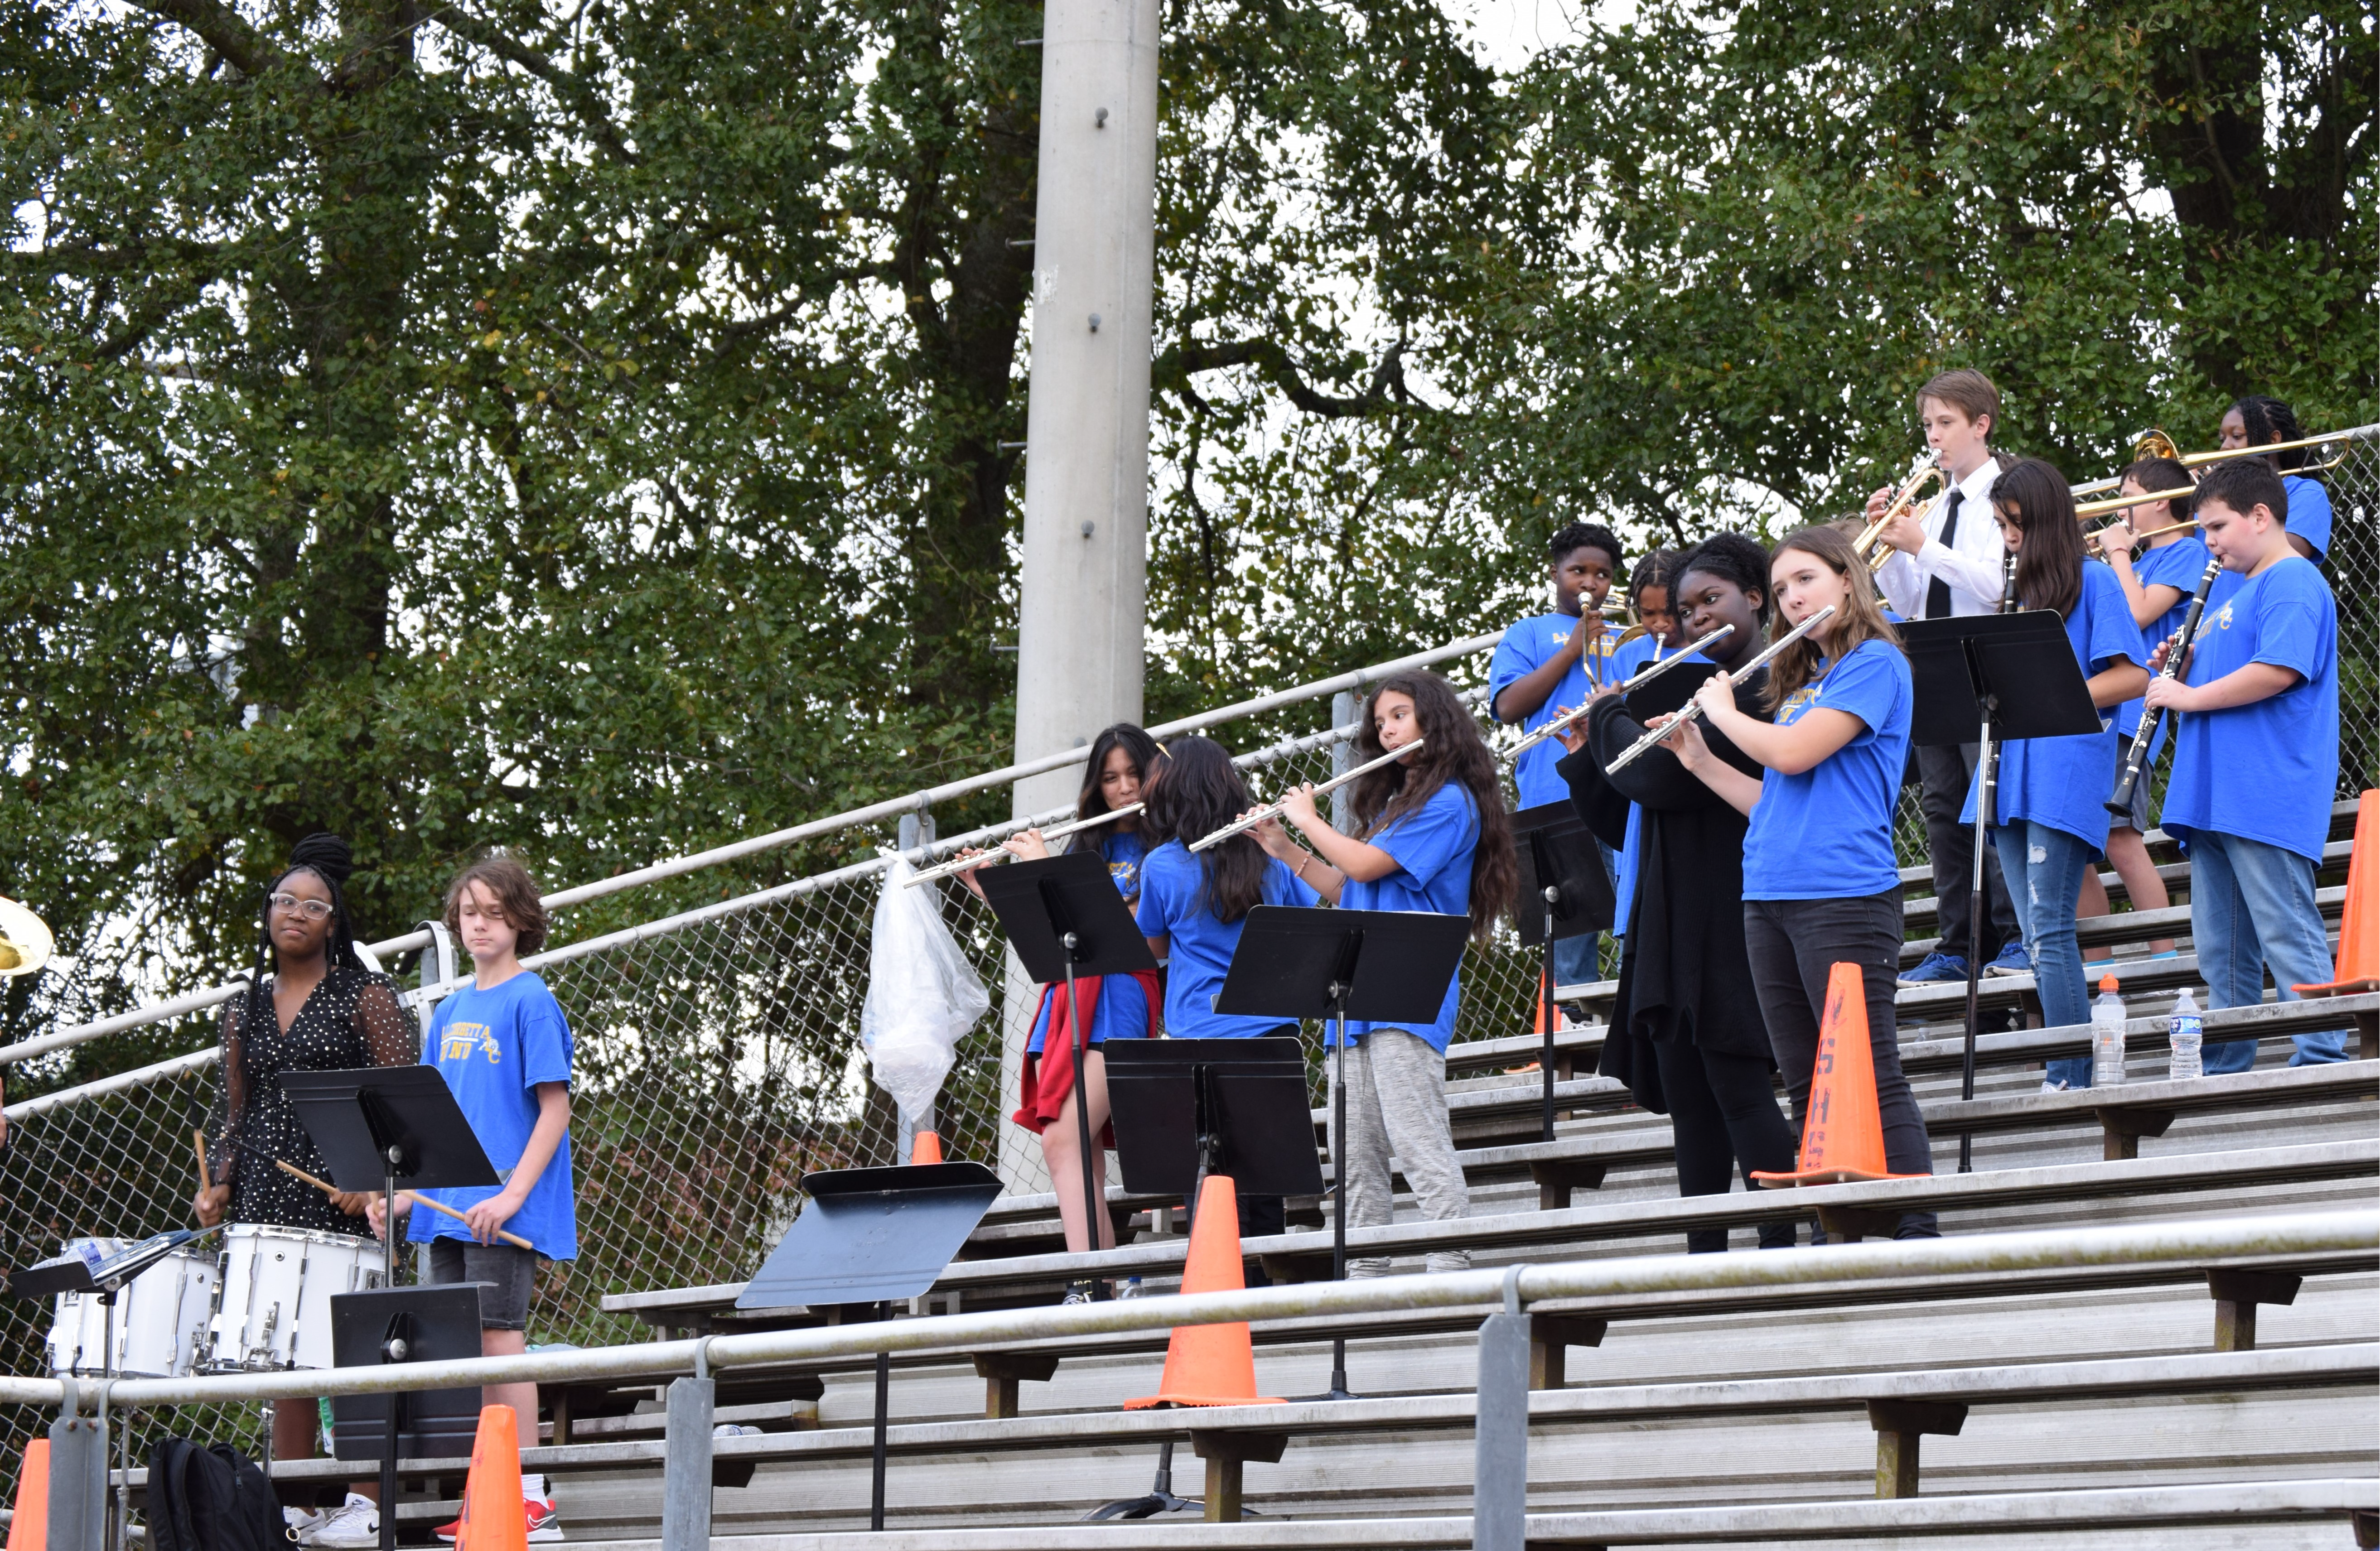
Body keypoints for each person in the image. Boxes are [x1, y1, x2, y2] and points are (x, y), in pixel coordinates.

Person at [1657, 525, 1939, 1238]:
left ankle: (1917, 1227)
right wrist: (1697, 758)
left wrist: (1720, 711)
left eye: (1804, 580)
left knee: (1870, 1069)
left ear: (1847, 579)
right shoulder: (1804, 683)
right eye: (1782, 589)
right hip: (1770, 896)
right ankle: (1836, 1225)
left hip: (1843, 893)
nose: (1792, 598)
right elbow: (1772, 798)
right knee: (1806, 1080)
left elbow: (1792, 753)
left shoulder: (1876, 663)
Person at [1563, 533, 1797, 1252]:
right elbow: (1630, 811)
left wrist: (1607, 715)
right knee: (1689, 1103)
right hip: (1669, 913)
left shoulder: (1762, 687)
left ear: (1754, 600)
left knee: (1739, 1089)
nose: (1695, 619)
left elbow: (1659, 781)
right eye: (1688, 608)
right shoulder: (1692, 688)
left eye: (1710, 602)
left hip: (1729, 910)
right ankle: (1704, 1263)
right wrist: (1584, 759)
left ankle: (1783, 1252)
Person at [1252, 670, 1517, 1274]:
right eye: (1380, 722)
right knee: (1354, 1152)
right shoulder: (1398, 806)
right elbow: (1347, 886)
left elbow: (1367, 867)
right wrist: (1286, 848)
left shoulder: (1452, 801)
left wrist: (1307, 819)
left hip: (1407, 981)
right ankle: (1363, 1275)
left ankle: (1451, 1266)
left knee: (1415, 1137)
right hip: (1355, 986)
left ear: (1434, 718)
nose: (1388, 729)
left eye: (1399, 715)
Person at [194, 833, 415, 1550]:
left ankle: (364, 1499)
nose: (295, 914)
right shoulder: (243, 1008)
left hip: (343, 1195)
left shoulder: (366, 995)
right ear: (267, 913)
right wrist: (219, 1186)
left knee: (351, 1351)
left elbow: (403, 1102)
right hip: (265, 1192)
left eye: (312, 906)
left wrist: (374, 1178)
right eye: (284, 901)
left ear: (334, 921)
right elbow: (238, 1113)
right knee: (279, 1351)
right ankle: (291, 1505)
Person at [371, 857, 573, 1545]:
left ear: (520, 919)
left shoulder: (531, 998)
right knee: (455, 1350)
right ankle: (486, 1491)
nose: (478, 925)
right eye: (467, 913)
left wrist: (514, 1193)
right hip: (447, 1209)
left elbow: (555, 1108)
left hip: (503, 1209)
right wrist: (404, 1199)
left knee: (499, 1340)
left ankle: (530, 1496)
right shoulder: (450, 1010)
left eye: (492, 912)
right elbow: (438, 1121)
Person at [2148, 458, 2347, 1071]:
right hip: (2216, 792)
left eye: (2216, 527)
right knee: (2220, 945)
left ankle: (2321, 1054)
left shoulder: (2290, 579)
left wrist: (2186, 695)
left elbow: (2277, 672)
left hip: (2264, 790)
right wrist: (2181, 668)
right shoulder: (2232, 594)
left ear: (2261, 517)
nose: (2207, 542)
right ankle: (2229, 1060)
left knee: (2284, 928)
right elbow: (2225, 674)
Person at [956, 723, 1165, 1296]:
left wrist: (1046, 863)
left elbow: (1143, 940)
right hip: (1069, 998)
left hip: (1121, 995)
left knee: (1062, 1139)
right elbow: (1053, 937)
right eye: (1110, 778)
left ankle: (1088, 1278)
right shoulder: (1089, 845)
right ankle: (1113, 1278)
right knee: (1079, 1150)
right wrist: (991, 886)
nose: (1124, 788)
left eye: (1133, 774)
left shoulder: (1167, 848)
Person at [1965, 461, 2148, 1088]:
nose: (2007, 537)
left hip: (2063, 772)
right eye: (1999, 525)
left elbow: (2133, 677)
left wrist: (2053, 696)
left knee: (2047, 928)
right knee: (2032, 931)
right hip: (2009, 773)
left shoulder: (2094, 582)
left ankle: (2070, 1071)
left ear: (2043, 520)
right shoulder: (2013, 594)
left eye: (2013, 524)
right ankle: (2066, 1068)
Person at [1868, 369, 2024, 984]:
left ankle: (2013, 936)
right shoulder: (1934, 506)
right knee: (1939, 805)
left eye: (1945, 424)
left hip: (1982, 656)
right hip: (1930, 659)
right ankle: (1959, 941)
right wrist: (1892, 543)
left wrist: (1922, 545)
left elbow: (1993, 586)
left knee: (1988, 801)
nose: (1933, 438)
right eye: (1928, 425)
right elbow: (1909, 601)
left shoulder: (2003, 497)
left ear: (1980, 426)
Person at [1133, 736, 1320, 1247]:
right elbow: (1303, 923)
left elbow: (1152, 946)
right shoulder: (1268, 854)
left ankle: (1217, 1292)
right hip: (1270, 1028)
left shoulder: (1164, 865)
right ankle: (1265, 1290)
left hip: (1199, 1032)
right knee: (1266, 1173)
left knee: (1209, 1167)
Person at [2087, 455, 2226, 962]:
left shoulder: (2184, 553)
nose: (2120, 505)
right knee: (2082, 848)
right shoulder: (2138, 561)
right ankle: (2097, 968)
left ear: (2159, 500)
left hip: (2133, 713)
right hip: (2098, 712)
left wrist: (2119, 556)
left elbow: (2141, 610)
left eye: (2127, 492)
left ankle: (2165, 960)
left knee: (2121, 838)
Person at [1490, 522, 1625, 994]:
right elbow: (1509, 706)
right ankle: (1574, 1042)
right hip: (1555, 797)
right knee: (1569, 938)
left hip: (1625, 794)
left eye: (1603, 573)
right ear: (1554, 573)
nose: (1591, 582)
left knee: (1637, 921)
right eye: (1578, 571)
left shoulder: (1626, 636)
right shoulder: (1528, 632)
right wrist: (1572, 650)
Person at [2219, 396, 2330, 562]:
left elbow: (2281, 560)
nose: (2224, 447)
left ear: (2273, 440)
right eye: (2222, 439)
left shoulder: (2306, 494)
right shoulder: (2214, 497)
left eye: (2237, 436)